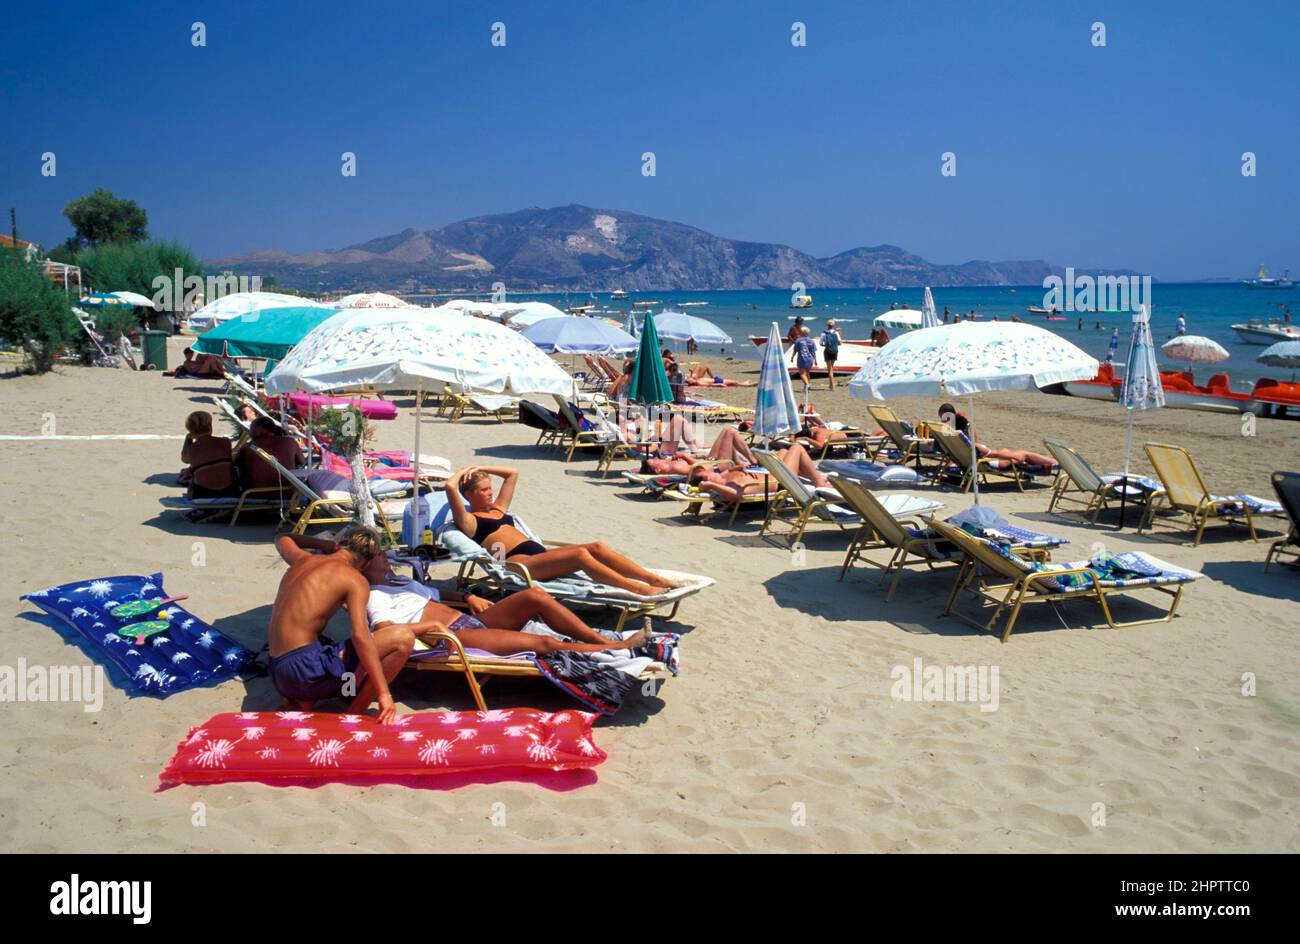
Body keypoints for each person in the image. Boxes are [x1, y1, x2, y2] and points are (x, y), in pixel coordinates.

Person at [447, 466, 675, 596]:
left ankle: (650, 578)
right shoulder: (470, 521)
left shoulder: (498, 508)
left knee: (596, 546)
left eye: (490, 488)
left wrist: (480, 469)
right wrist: (462, 473)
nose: (490, 492)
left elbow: (512, 474)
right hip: (520, 566)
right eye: (484, 490)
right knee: (580, 555)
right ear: (469, 495)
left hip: (541, 557)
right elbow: (449, 487)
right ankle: (635, 588)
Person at [361, 556, 649, 656]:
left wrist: (468, 598)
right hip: (454, 638)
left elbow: (440, 593)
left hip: (471, 620)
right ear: (365, 565)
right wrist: (429, 627)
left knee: (535, 595)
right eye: (378, 556)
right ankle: (613, 648)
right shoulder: (375, 596)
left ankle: (597, 638)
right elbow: (385, 631)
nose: (385, 557)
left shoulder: (401, 582)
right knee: (543, 644)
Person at [267, 528, 401, 722]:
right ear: (366, 563)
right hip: (302, 673)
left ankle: (304, 699)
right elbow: (360, 636)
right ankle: (354, 712)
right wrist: (384, 693)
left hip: (277, 673)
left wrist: (325, 545)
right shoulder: (355, 579)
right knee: (401, 639)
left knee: (325, 649)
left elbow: (281, 537)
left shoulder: (301, 559)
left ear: (338, 546)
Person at [936, 403, 1057, 470]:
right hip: (995, 461)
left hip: (992, 459)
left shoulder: (957, 444)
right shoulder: (972, 445)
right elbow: (995, 454)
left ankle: (1053, 462)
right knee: (1024, 454)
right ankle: (1055, 462)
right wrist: (1014, 457)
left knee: (1015, 453)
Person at [237, 416, 305, 498]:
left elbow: (236, 465)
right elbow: (302, 462)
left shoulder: (248, 447)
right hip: (289, 493)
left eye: (251, 428)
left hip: (257, 494)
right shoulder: (290, 442)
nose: (250, 432)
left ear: (257, 429)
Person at [180, 410, 239, 499]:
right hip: (229, 491)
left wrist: (188, 439)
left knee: (187, 474)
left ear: (190, 430)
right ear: (210, 427)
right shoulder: (225, 442)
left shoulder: (192, 449)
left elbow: (184, 459)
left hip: (203, 494)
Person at [790, 325, 818, 400]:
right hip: (809, 359)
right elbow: (813, 352)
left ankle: (807, 384)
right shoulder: (811, 341)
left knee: (802, 374)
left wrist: (792, 357)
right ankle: (807, 388)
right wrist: (815, 360)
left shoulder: (798, 340)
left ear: (802, 332)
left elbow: (795, 350)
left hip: (802, 359)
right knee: (807, 374)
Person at [820, 320, 842, 389]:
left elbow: (821, 343)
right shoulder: (836, 333)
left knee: (829, 369)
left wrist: (826, 345)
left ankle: (831, 385)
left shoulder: (824, 333)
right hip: (835, 351)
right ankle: (831, 384)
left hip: (827, 351)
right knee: (831, 367)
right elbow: (840, 343)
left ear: (827, 325)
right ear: (833, 325)